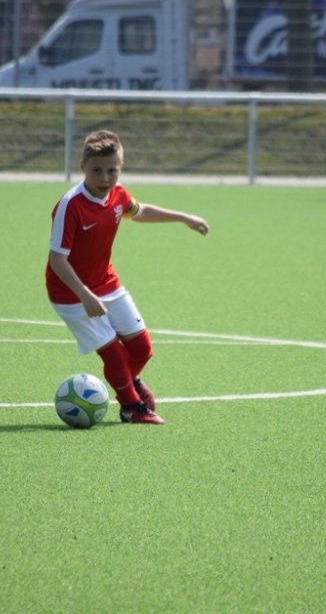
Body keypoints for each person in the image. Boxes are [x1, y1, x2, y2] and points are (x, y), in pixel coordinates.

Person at [46, 130, 210, 425]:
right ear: (83, 167)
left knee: (142, 349)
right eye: (97, 170)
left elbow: (139, 211)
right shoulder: (70, 205)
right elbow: (58, 260)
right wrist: (84, 295)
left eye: (112, 170)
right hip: (70, 293)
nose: (105, 178)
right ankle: (131, 407)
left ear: (121, 167)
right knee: (114, 355)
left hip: (106, 283)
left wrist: (184, 218)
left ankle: (126, 385)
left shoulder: (118, 195)